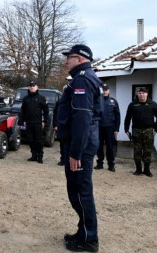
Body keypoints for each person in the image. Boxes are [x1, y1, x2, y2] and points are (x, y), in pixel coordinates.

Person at [58, 44, 103, 252]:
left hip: (81, 147)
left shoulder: (83, 79)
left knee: (81, 192)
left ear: (81, 59)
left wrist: (76, 152)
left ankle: (89, 240)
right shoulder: (82, 78)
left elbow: (82, 118)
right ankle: (83, 231)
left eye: (70, 57)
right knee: (76, 190)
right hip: (81, 143)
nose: (66, 61)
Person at [124, 87, 157, 177]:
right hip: (136, 130)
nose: (141, 95)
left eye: (143, 93)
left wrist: (156, 129)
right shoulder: (132, 105)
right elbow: (128, 118)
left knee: (147, 151)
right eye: (140, 93)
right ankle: (138, 169)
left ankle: (147, 170)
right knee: (137, 151)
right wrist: (126, 129)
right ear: (138, 94)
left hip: (148, 131)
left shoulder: (153, 104)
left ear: (147, 94)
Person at [20, 81, 49, 164]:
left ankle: (40, 157)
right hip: (28, 123)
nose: (32, 87)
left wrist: (44, 121)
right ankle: (33, 155)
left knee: (38, 141)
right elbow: (23, 111)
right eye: (30, 86)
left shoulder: (41, 98)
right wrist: (23, 121)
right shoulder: (26, 98)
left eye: (33, 86)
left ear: (37, 87)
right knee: (30, 140)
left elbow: (46, 111)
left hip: (38, 123)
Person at [94, 84, 120, 172]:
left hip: (110, 128)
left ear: (109, 91)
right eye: (103, 90)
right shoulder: (97, 100)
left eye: (106, 90)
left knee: (110, 147)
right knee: (99, 147)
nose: (105, 91)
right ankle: (99, 164)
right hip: (99, 127)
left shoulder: (113, 101)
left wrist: (117, 129)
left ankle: (111, 165)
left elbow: (118, 116)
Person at [53, 98, 65, 166]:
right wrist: (55, 124)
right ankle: (63, 159)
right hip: (61, 125)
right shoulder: (60, 101)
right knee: (62, 144)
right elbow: (55, 113)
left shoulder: (76, 100)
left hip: (72, 126)